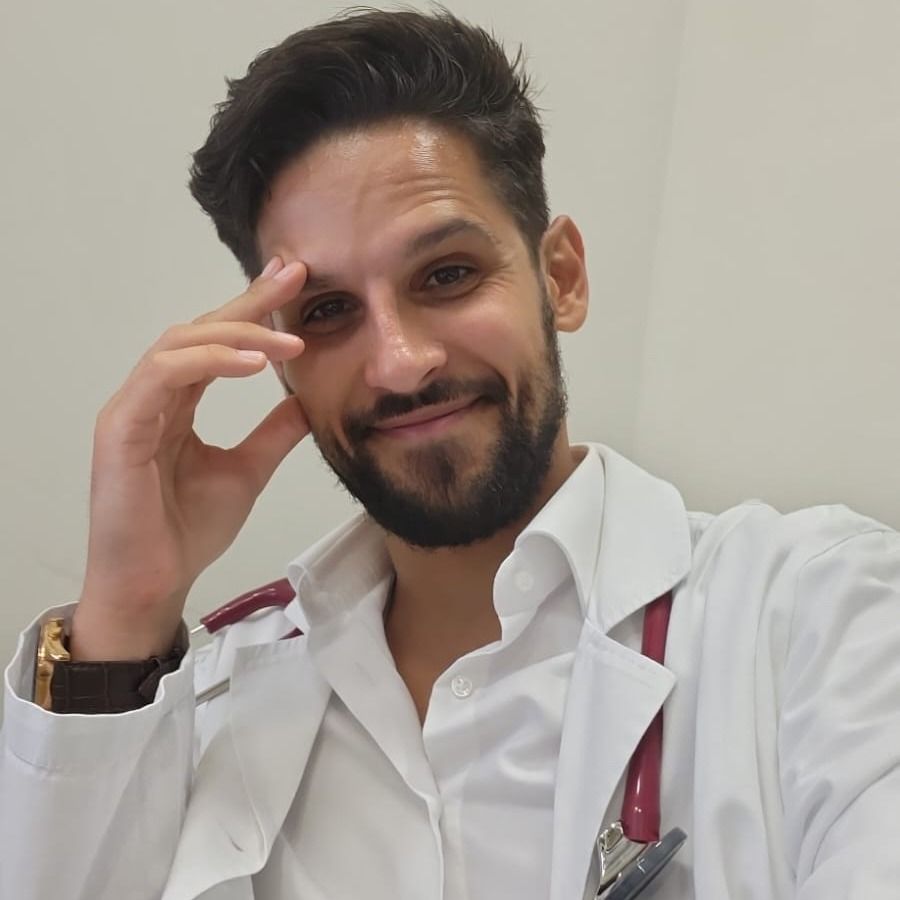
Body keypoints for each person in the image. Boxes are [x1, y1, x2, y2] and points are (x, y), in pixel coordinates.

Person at [2, 8, 899, 900]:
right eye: (327, 311)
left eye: (447, 275)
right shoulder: (214, 694)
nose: (399, 364)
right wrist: (128, 611)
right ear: (280, 362)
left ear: (561, 277)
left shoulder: (821, 619)